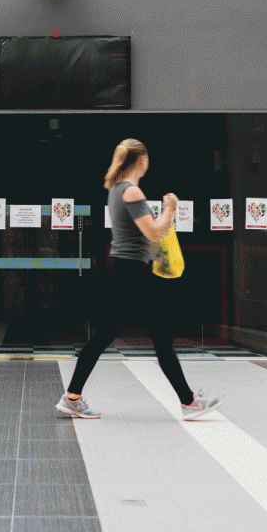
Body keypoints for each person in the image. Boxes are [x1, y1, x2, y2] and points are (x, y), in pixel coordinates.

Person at [56, 139, 224, 421]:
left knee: (105, 335)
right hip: (130, 272)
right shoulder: (132, 192)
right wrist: (170, 207)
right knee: (161, 336)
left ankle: (72, 397)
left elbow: (143, 236)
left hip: (121, 268)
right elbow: (154, 233)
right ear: (142, 159)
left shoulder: (116, 189)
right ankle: (190, 402)